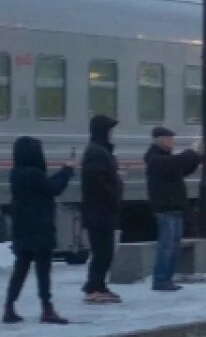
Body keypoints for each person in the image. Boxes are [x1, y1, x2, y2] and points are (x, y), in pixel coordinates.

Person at [4, 137, 74, 324]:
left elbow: (44, 187)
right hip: (40, 227)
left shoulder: (16, 174)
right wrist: (67, 171)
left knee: (21, 268)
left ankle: (9, 306)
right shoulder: (35, 174)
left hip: (22, 228)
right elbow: (54, 189)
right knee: (43, 271)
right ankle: (47, 308)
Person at [144, 127, 202, 292]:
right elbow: (176, 163)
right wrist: (192, 152)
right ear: (160, 139)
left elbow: (183, 169)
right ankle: (161, 280)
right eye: (170, 138)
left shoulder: (165, 158)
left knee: (174, 246)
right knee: (166, 246)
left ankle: (167, 279)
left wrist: (197, 157)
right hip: (165, 208)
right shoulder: (154, 158)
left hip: (175, 207)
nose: (173, 142)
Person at [81, 114, 123, 304]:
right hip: (99, 211)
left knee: (105, 251)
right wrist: (113, 190)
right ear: (103, 131)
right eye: (110, 130)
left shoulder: (99, 151)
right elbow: (96, 181)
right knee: (102, 251)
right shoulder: (96, 152)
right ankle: (94, 287)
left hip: (101, 211)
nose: (113, 134)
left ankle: (98, 285)